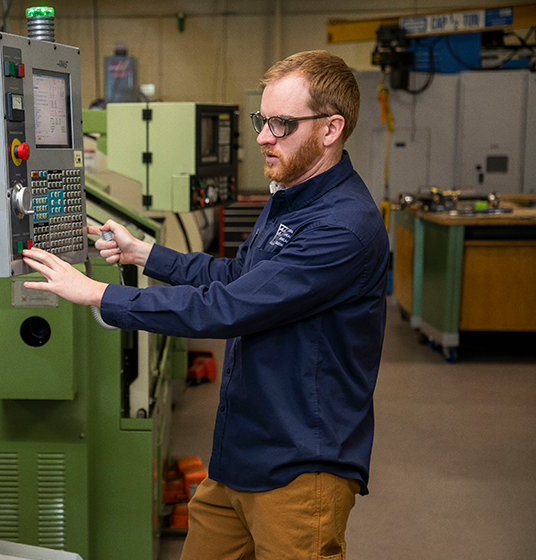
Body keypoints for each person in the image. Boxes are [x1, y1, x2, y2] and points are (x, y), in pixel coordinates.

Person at [22, 50, 389, 560]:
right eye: (263, 121)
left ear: (331, 129)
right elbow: (238, 276)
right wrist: (145, 254)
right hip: (242, 454)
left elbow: (230, 307)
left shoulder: (342, 227)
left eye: (281, 124)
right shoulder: (291, 197)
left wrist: (102, 295)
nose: (263, 136)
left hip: (302, 469)